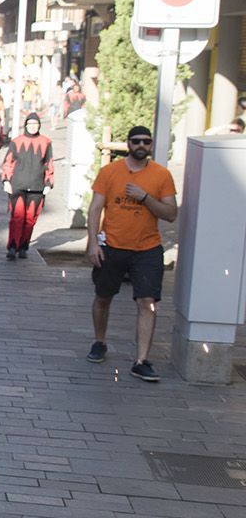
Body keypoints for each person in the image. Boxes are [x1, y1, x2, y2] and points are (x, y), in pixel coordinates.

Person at [86, 126, 178, 383]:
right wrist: (93, 244)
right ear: (128, 143)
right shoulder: (110, 172)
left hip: (147, 249)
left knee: (147, 302)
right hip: (112, 246)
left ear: (150, 146)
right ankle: (99, 341)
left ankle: (141, 360)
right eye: (136, 141)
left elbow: (170, 214)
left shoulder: (162, 175)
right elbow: (95, 209)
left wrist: (145, 197)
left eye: (146, 142)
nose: (141, 145)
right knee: (103, 297)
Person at [0, 112, 54, 261]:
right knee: (17, 217)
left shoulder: (46, 142)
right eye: (30, 124)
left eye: (35, 124)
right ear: (25, 125)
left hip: (37, 186)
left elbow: (49, 163)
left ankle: (23, 246)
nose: (32, 127)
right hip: (18, 184)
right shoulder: (16, 142)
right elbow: (8, 162)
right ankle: (12, 246)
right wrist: (6, 180)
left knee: (30, 219)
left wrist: (49, 182)